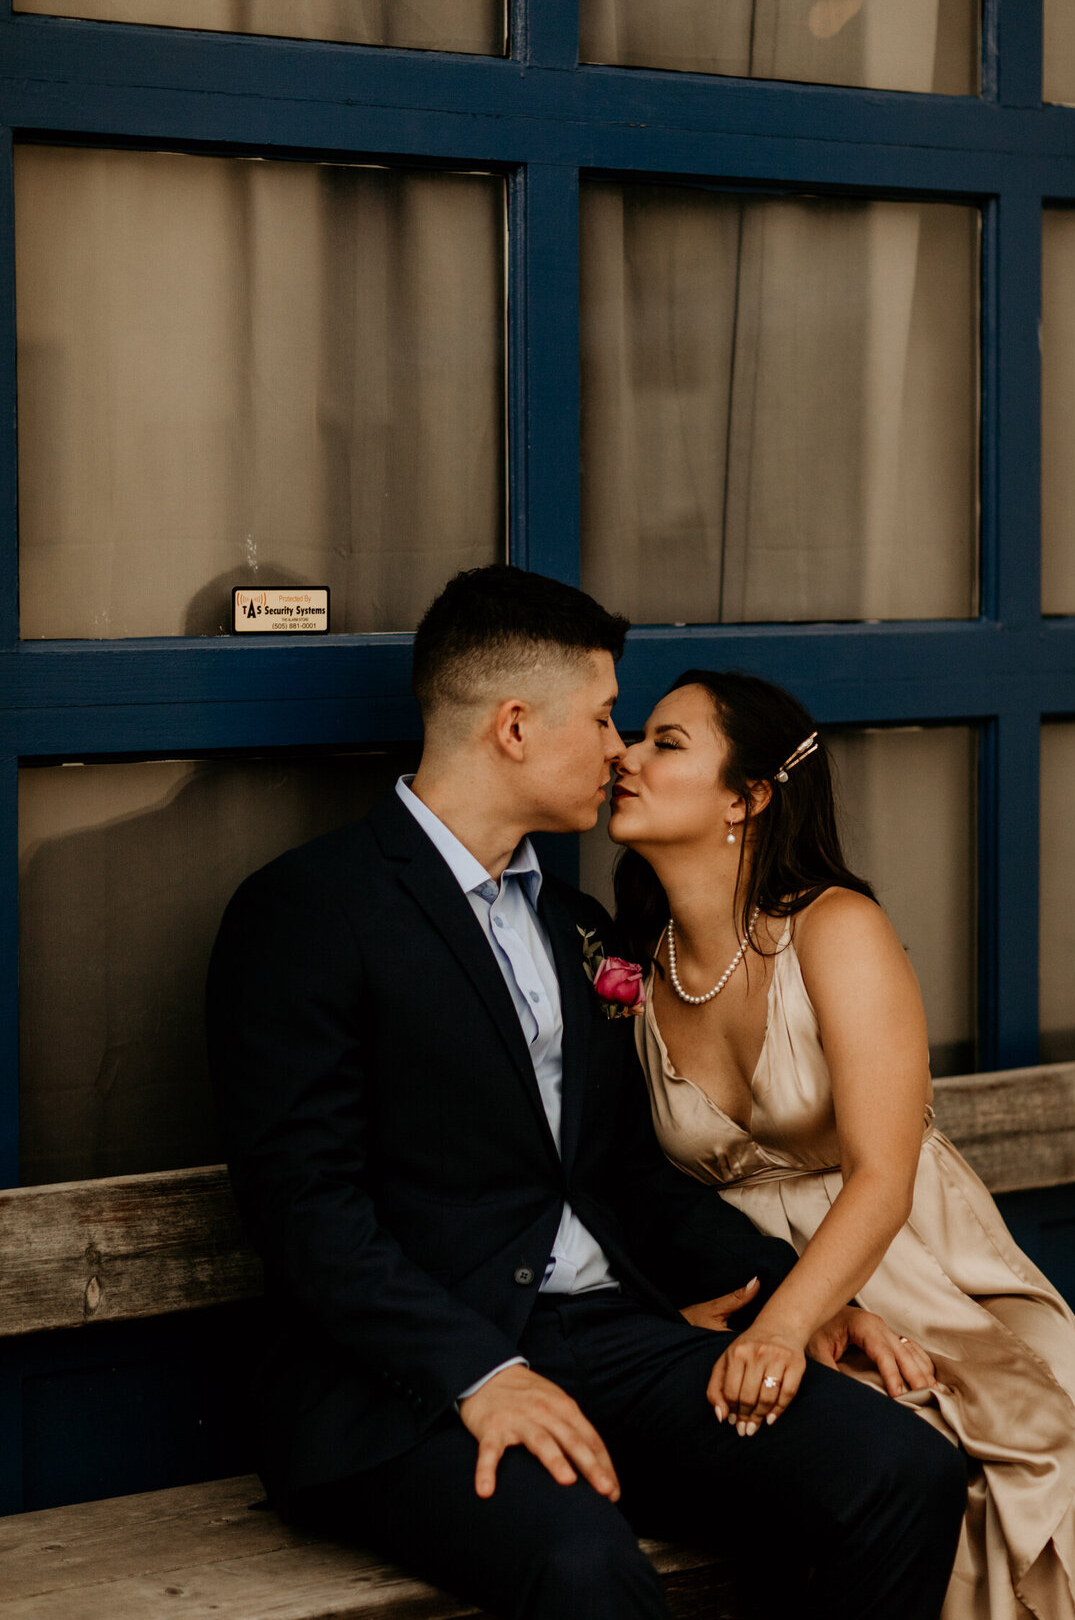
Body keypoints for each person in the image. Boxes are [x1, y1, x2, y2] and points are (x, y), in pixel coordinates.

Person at [206, 567, 968, 1620]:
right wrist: (482, 1372)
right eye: (608, 717)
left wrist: (804, 1300)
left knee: (900, 1469)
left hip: (611, 1340)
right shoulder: (308, 910)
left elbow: (619, 1170)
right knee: (583, 1568)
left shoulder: (580, 926)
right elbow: (306, 1209)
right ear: (514, 727)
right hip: (407, 1384)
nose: (620, 749)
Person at [609, 668, 1075, 1620]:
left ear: (749, 796)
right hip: (761, 1278)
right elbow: (624, 1179)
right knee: (847, 1462)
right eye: (635, 737)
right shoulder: (635, 968)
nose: (623, 757)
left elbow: (885, 1178)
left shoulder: (834, 928)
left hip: (923, 1270)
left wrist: (784, 1329)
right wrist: (754, 1310)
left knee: (1000, 1444)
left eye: (663, 742)